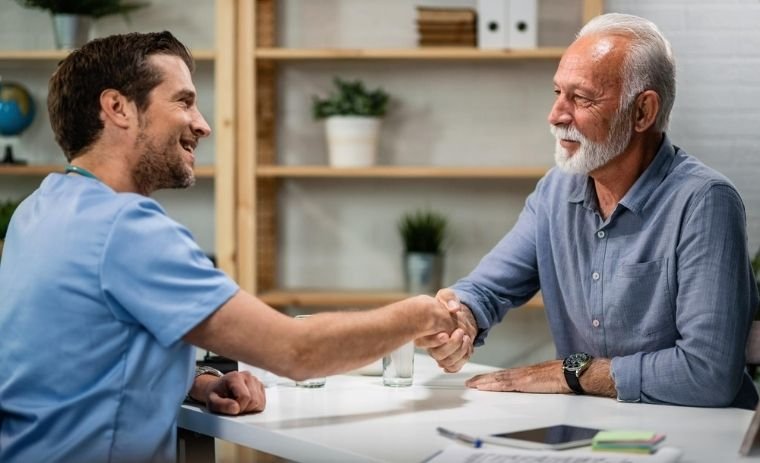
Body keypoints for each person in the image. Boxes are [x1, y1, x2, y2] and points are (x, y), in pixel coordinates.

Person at [0, 31, 458, 463]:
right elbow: (296, 353)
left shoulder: (39, 209)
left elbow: (81, 359)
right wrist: (419, 315)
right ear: (118, 107)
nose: (202, 126)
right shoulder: (127, 228)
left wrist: (195, 381)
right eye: (184, 102)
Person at [419, 13, 759, 410]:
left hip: (698, 433)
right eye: (557, 93)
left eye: (581, 98)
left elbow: (707, 373)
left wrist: (570, 372)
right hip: (593, 428)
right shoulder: (555, 192)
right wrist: (461, 320)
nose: (556, 115)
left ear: (642, 112)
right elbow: (486, 289)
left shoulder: (704, 201)